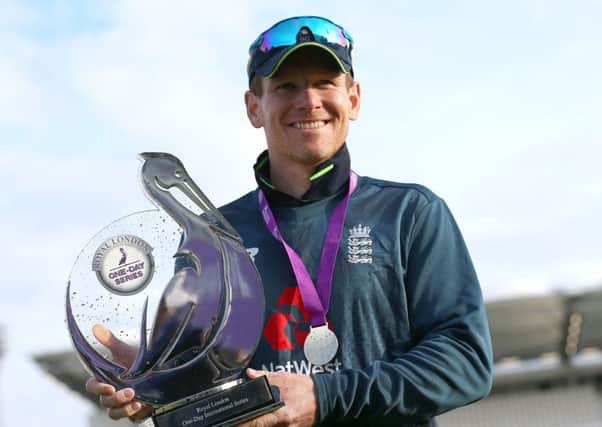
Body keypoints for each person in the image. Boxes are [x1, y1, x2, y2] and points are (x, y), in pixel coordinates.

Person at [86, 15, 493, 426]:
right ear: (254, 107)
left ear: (353, 99)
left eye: (325, 83)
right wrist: (156, 387)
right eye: (286, 87)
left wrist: (325, 396)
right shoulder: (212, 237)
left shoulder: (410, 213)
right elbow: (194, 395)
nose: (309, 100)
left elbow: (465, 360)